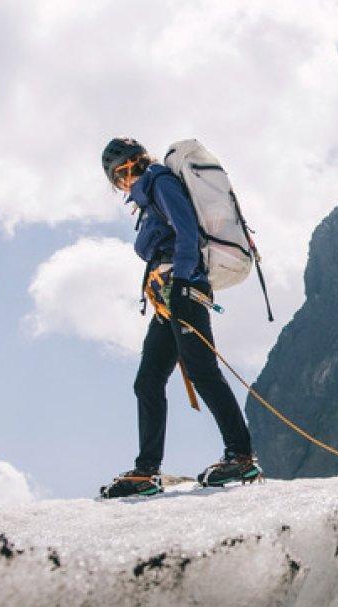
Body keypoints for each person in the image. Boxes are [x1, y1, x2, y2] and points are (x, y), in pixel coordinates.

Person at [99, 138, 262, 498]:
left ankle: (241, 456)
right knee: (148, 381)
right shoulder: (150, 192)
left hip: (183, 290)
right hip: (169, 297)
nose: (122, 184)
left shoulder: (159, 182)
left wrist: (183, 281)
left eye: (119, 177)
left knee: (202, 371)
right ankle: (147, 471)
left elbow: (187, 231)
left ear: (127, 168)